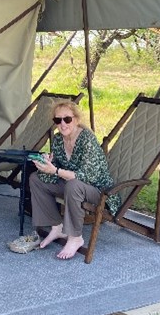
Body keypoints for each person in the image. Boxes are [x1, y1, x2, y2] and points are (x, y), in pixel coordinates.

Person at [25, 99, 120, 260]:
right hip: (72, 184)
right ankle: (57, 226)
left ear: (76, 119)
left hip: (99, 190)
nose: (63, 124)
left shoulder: (86, 140)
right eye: (57, 120)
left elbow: (87, 176)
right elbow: (53, 171)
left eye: (67, 119)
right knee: (36, 179)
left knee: (73, 185)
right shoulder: (57, 140)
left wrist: (55, 170)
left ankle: (75, 237)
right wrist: (46, 163)